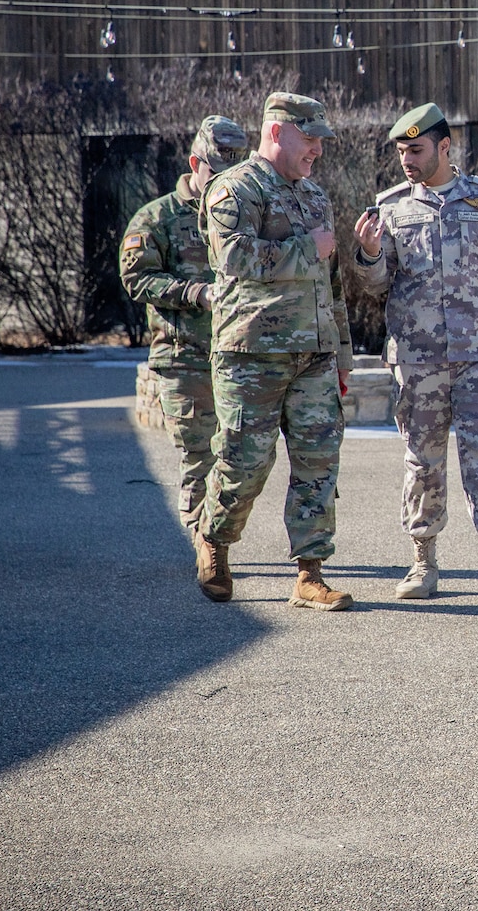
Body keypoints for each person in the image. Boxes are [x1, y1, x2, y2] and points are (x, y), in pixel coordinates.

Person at [348, 103, 478, 604]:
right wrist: (367, 255)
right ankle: (423, 563)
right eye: (402, 152)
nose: (407, 160)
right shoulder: (390, 208)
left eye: (416, 150)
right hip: (418, 358)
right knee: (422, 461)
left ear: (445, 147)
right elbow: (376, 285)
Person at [192, 92, 354, 612]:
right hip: (252, 355)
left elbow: (332, 284)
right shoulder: (235, 188)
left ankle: (310, 572)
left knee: (318, 464)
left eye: (320, 141)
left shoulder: (314, 196)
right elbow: (232, 254)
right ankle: (213, 542)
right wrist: (310, 248)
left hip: (314, 355)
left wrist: (343, 353)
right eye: (310, 139)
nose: (317, 151)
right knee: (245, 463)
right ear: (277, 132)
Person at [119, 115, 248, 532]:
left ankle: (216, 537)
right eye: (216, 171)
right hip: (184, 357)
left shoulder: (241, 212)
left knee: (236, 455)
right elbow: (136, 278)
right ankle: (202, 543)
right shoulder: (158, 218)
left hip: (235, 355)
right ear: (195, 165)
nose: (225, 182)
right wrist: (197, 293)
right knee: (199, 454)